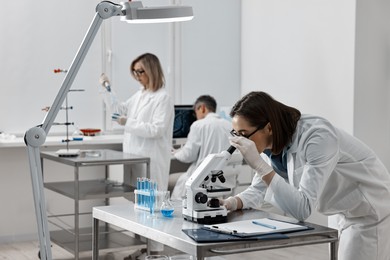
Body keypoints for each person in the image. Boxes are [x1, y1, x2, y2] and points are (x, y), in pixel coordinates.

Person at [223, 91, 390, 260]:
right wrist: (231, 203)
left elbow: (302, 209)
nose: (241, 142)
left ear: (269, 127)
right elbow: (259, 189)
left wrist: (259, 165)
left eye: (244, 135)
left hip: (367, 210)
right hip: (339, 209)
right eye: (236, 134)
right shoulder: (271, 146)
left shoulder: (318, 136)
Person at [99, 53, 174, 192]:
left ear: (152, 70)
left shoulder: (163, 98)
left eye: (140, 71)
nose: (137, 76)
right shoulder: (140, 95)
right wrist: (107, 88)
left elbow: (156, 130)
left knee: (151, 202)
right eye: (135, 72)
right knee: (134, 201)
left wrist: (127, 122)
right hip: (133, 156)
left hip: (151, 159)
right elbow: (119, 109)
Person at [171, 95, 233, 200]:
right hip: (223, 180)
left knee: (176, 184)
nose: (196, 116)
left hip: (201, 180)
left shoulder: (198, 125)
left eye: (196, 112)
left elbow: (188, 156)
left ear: (202, 108)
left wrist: (175, 153)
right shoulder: (230, 125)